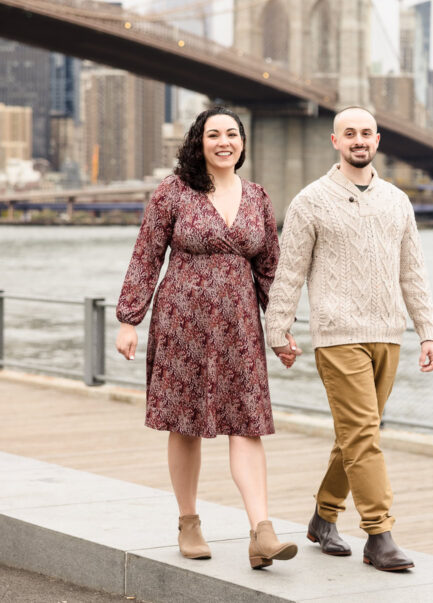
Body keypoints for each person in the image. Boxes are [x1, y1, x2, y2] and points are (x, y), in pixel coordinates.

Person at [114, 106, 297, 570]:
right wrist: (128, 319)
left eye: (231, 134)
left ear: (242, 143)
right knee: (185, 424)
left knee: (248, 423)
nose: (223, 142)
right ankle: (189, 521)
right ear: (199, 142)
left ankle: (262, 531)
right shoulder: (173, 192)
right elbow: (146, 256)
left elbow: (270, 269)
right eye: (213, 134)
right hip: (183, 324)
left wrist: (279, 331)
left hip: (240, 328)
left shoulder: (257, 197)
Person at [265, 106, 433, 572]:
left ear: (377, 140)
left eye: (366, 133)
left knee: (357, 436)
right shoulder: (309, 201)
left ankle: (324, 519)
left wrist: (429, 332)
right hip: (338, 335)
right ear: (334, 141)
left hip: (389, 332)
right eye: (349, 134)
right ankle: (378, 534)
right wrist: (276, 329)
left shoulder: (397, 201)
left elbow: (413, 271)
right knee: (363, 433)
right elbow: (290, 271)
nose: (358, 140)